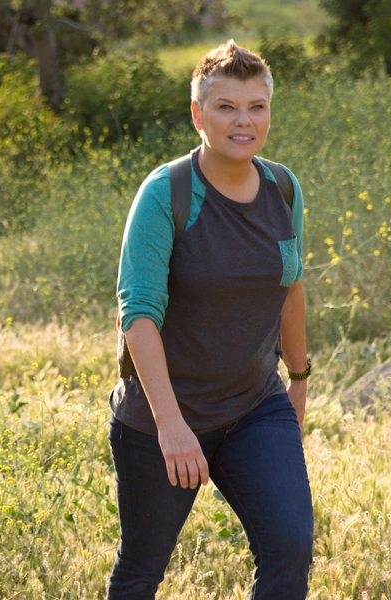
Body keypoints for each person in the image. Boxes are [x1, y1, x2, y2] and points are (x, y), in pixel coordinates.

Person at [106, 40, 313, 599]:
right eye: (226, 107)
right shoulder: (165, 193)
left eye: (256, 107)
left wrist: (298, 380)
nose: (243, 121)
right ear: (198, 114)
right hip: (164, 418)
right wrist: (172, 426)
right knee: (142, 570)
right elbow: (139, 316)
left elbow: (290, 285)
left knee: (290, 548)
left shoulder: (283, 187)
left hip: (254, 406)